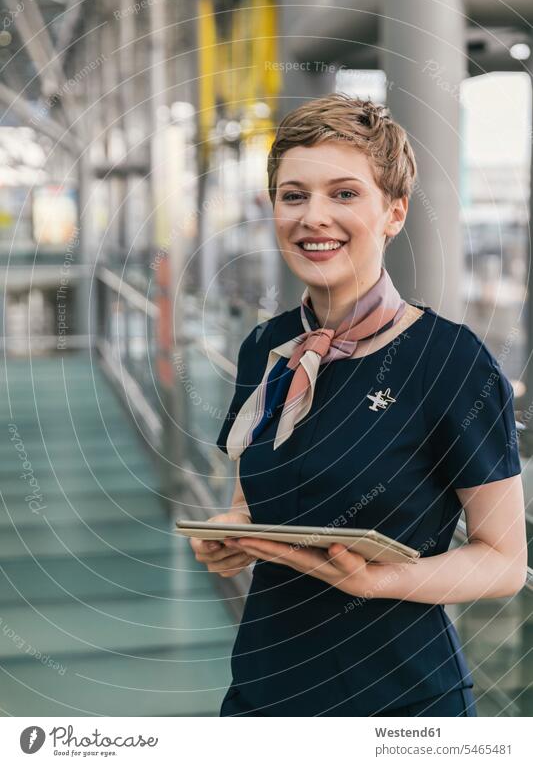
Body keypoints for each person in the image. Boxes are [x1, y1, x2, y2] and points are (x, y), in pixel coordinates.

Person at [190, 94, 527, 717]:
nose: (314, 216)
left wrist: (375, 582)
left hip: (400, 704)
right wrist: (229, 536)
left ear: (394, 213)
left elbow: (504, 563)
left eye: (344, 194)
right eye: (294, 196)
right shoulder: (265, 349)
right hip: (266, 690)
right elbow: (251, 500)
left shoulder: (449, 359)